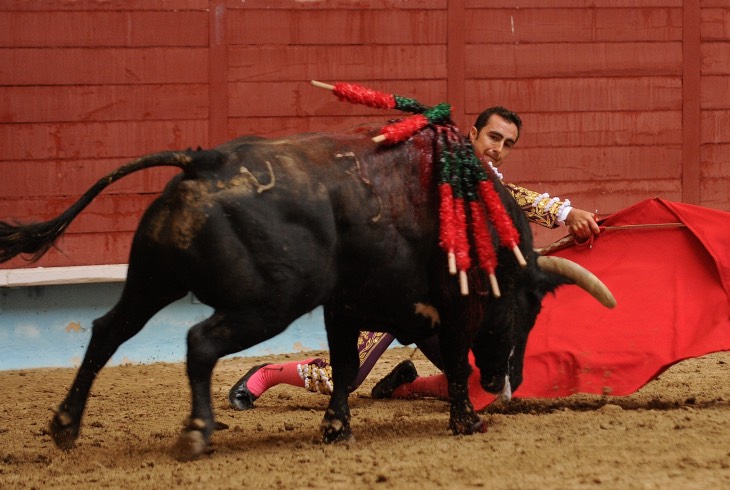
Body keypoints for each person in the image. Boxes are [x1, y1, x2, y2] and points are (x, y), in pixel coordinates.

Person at [228, 106, 600, 409]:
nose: (498, 148)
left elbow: (507, 199)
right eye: (493, 137)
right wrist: (564, 214)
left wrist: (565, 216)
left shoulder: (489, 182)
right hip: (389, 289)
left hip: (441, 299)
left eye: (507, 143)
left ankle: (406, 384)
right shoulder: (435, 159)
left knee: (473, 377)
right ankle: (266, 374)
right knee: (342, 377)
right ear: (473, 134)